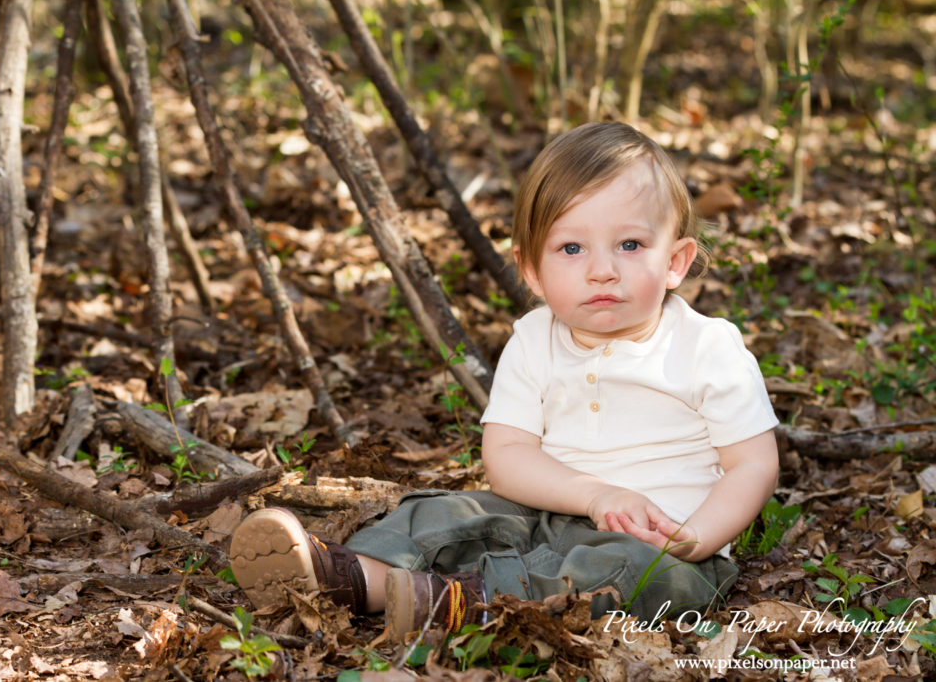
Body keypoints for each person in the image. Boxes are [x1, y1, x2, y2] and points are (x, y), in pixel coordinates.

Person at [229, 121, 779, 643]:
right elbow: (509, 453)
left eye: (630, 245)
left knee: (636, 578)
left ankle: (464, 599)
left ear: (677, 261)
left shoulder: (707, 347)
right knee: (443, 511)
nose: (602, 270)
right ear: (533, 271)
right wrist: (593, 494)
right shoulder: (534, 340)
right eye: (572, 248)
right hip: (543, 511)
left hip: (659, 541)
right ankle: (351, 574)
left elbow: (752, 464)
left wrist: (698, 535)